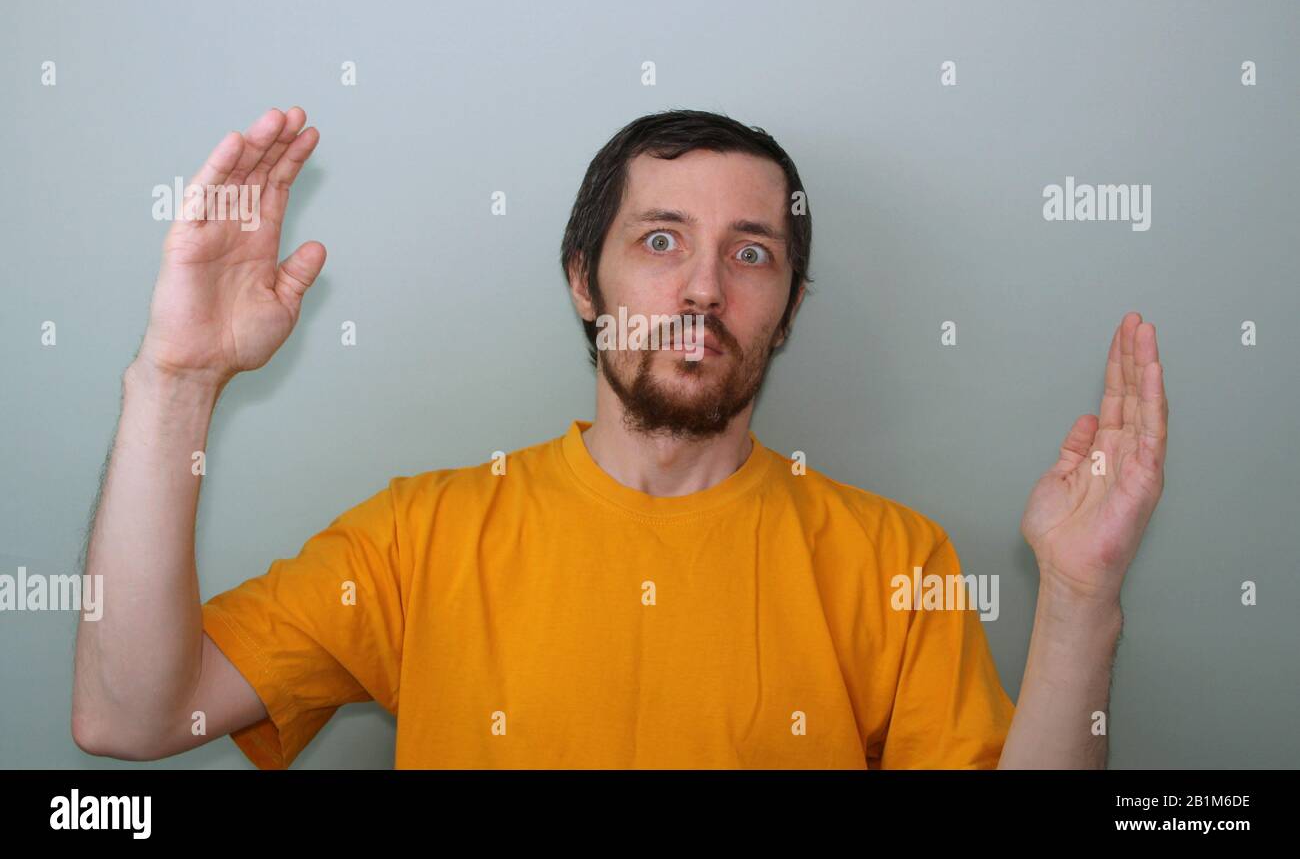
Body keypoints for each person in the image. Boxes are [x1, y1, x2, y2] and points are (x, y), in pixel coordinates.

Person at [71, 107, 1168, 769]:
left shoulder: (896, 563)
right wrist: (178, 377)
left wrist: (1078, 603)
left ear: (785, 307)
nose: (701, 285)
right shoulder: (420, 535)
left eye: (750, 253)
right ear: (581, 281)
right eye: (659, 239)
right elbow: (132, 715)